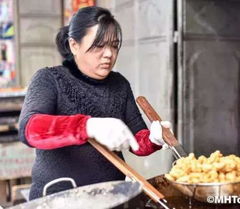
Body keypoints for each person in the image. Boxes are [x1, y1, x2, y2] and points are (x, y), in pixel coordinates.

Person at [18, 6, 170, 200]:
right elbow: (29, 129)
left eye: (114, 46)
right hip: (56, 199)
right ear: (74, 45)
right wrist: (87, 126)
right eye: (99, 46)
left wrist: (153, 139)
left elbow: (136, 140)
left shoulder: (119, 84)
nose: (108, 54)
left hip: (111, 198)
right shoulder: (50, 78)